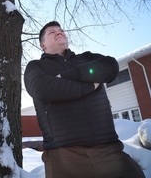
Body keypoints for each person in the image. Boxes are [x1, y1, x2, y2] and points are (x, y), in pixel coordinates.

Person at [24, 21, 145, 178]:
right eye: (51, 32)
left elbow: (111, 67)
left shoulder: (87, 58)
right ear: (43, 45)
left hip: (109, 150)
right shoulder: (36, 67)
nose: (59, 32)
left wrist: (69, 76)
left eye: (60, 30)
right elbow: (42, 88)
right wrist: (89, 86)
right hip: (64, 157)